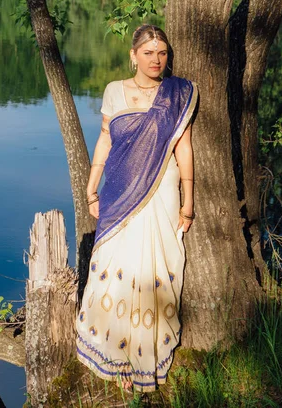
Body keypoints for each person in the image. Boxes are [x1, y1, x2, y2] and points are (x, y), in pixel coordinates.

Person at [76, 24, 198, 392]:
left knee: (154, 266)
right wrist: (93, 183)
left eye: (162, 53)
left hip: (162, 191)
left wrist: (188, 201)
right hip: (118, 190)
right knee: (118, 265)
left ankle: (145, 353)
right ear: (133, 56)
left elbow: (184, 148)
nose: (156, 60)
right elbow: (105, 138)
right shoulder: (115, 91)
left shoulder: (178, 93)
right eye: (148, 53)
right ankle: (113, 351)